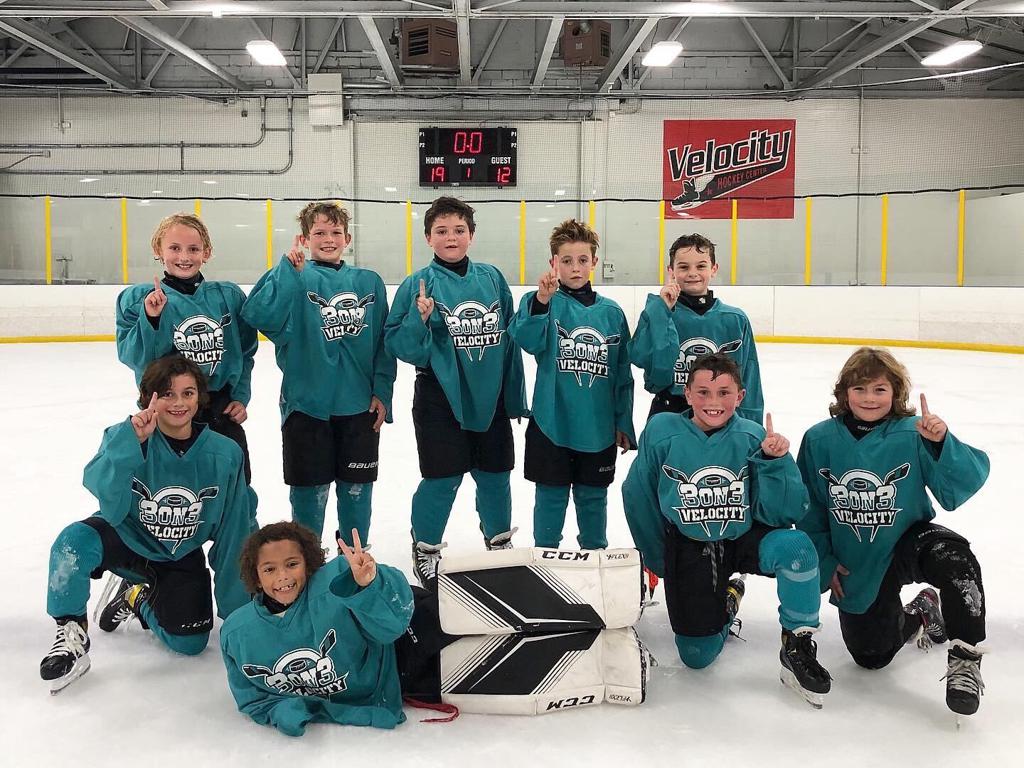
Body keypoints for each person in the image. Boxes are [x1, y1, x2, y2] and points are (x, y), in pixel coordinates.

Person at [220, 522, 649, 736]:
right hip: (401, 678)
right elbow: (254, 698)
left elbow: (390, 624)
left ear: (308, 565)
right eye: (271, 569)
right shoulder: (239, 633)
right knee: (498, 662)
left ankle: (611, 593)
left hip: (406, 624)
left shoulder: (335, 578)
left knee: (480, 614)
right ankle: (605, 658)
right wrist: (293, 711)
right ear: (255, 577)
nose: (283, 577)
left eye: (292, 564)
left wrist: (367, 582)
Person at [622, 353, 832, 707]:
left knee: (796, 548)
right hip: (691, 544)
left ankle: (796, 644)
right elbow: (638, 495)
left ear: (741, 396)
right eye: (703, 392)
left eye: (724, 392)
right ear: (686, 393)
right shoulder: (662, 432)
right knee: (696, 656)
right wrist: (660, 559)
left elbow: (785, 513)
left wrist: (774, 463)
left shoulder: (754, 436)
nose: (713, 402)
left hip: (743, 537)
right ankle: (728, 601)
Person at [40, 357, 254, 693]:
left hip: (177, 553)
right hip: (127, 537)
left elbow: (234, 532)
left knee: (191, 642)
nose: (179, 403)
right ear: (149, 398)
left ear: (200, 397)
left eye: (188, 393)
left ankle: (136, 596)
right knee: (74, 542)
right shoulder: (124, 436)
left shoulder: (225, 453)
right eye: (167, 394)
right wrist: (131, 443)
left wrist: (239, 613)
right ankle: (72, 633)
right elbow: (103, 492)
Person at [796, 347, 990, 717]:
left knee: (955, 559)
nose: (870, 398)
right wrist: (824, 558)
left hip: (909, 539)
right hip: (856, 555)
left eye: (880, 390)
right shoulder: (819, 439)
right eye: (860, 389)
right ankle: (923, 612)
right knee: (872, 656)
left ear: (895, 393)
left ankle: (965, 657)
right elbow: (809, 507)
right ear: (844, 393)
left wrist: (940, 442)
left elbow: (960, 486)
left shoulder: (913, 432)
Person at [384, 196, 528, 585]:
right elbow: (400, 346)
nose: (451, 237)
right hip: (439, 397)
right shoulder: (417, 284)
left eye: (459, 230)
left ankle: (498, 542)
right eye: (442, 231)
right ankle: (426, 545)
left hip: (491, 396)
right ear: (428, 238)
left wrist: (514, 396)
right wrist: (420, 318)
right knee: (442, 477)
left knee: (496, 474)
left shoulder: (492, 278)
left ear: (472, 235)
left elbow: (510, 340)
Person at [242, 202, 395, 545]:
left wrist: (382, 391)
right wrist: (287, 272)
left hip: (359, 407)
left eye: (335, 232)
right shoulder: (294, 274)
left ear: (348, 238)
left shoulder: (369, 282)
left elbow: (383, 344)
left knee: (357, 492)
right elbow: (258, 315)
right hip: (305, 406)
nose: (328, 239)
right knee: (309, 493)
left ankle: (354, 561)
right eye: (319, 233)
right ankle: (308, 564)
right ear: (304, 238)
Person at [508, 218, 635, 550]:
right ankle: (544, 561)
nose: (575, 268)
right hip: (552, 424)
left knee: (593, 499)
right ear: (553, 263)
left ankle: (595, 561)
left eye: (582, 260)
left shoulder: (612, 313)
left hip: (597, 428)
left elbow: (622, 374)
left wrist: (623, 421)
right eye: (566, 260)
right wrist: (542, 301)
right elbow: (527, 341)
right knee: (550, 498)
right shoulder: (540, 302)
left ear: (594, 261)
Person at [115, 213, 258, 482]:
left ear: (207, 252)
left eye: (193, 249)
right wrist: (151, 318)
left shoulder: (228, 297)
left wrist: (240, 396)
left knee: (234, 487)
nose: (185, 256)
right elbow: (134, 357)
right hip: (167, 410)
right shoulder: (137, 299)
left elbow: (246, 352)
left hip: (220, 412)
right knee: (174, 489)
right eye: (175, 248)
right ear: (158, 250)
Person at [628, 233, 762, 423]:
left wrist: (752, 428)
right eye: (683, 267)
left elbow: (749, 378)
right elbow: (650, 370)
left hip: (719, 414)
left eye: (701, 266)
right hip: (669, 413)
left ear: (714, 269)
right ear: (671, 270)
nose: (692, 273)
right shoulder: (659, 312)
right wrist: (661, 311)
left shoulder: (735, 320)